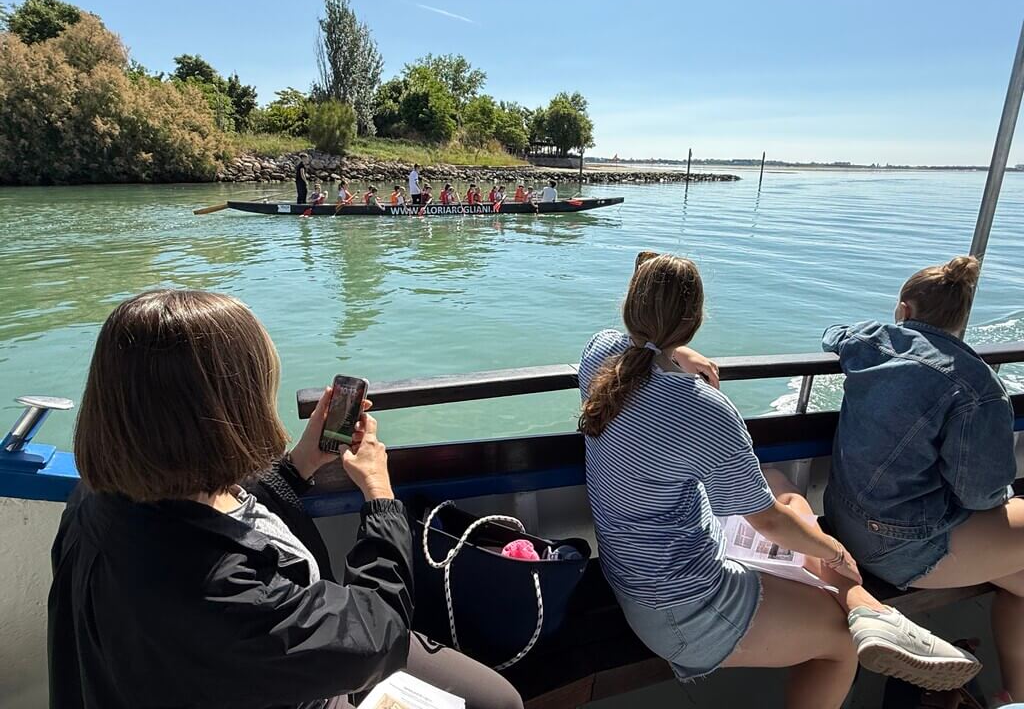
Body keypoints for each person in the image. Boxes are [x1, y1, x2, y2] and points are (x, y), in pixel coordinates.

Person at [48, 289, 523, 709]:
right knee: (499, 702)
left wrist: (298, 466)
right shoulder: (219, 591)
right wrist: (379, 497)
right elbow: (379, 636)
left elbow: (207, 512)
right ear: (230, 412)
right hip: (301, 677)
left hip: (219, 675)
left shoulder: (97, 500)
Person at [578, 252, 978, 709]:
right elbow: (766, 522)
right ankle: (864, 609)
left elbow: (633, 346)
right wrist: (835, 549)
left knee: (781, 487)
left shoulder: (599, 358)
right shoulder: (704, 409)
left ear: (630, 305)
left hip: (632, 572)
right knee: (839, 643)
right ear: (696, 320)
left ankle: (866, 606)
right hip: (681, 609)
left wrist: (673, 351)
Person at [822, 255, 1023, 701]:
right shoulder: (978, 387)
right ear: (962, 317)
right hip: (901, 546)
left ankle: (1013, 693)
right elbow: (982, 495)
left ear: (904, 310)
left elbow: (832, 334)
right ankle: (1010, 694)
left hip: (842, 518)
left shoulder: (867, 341)